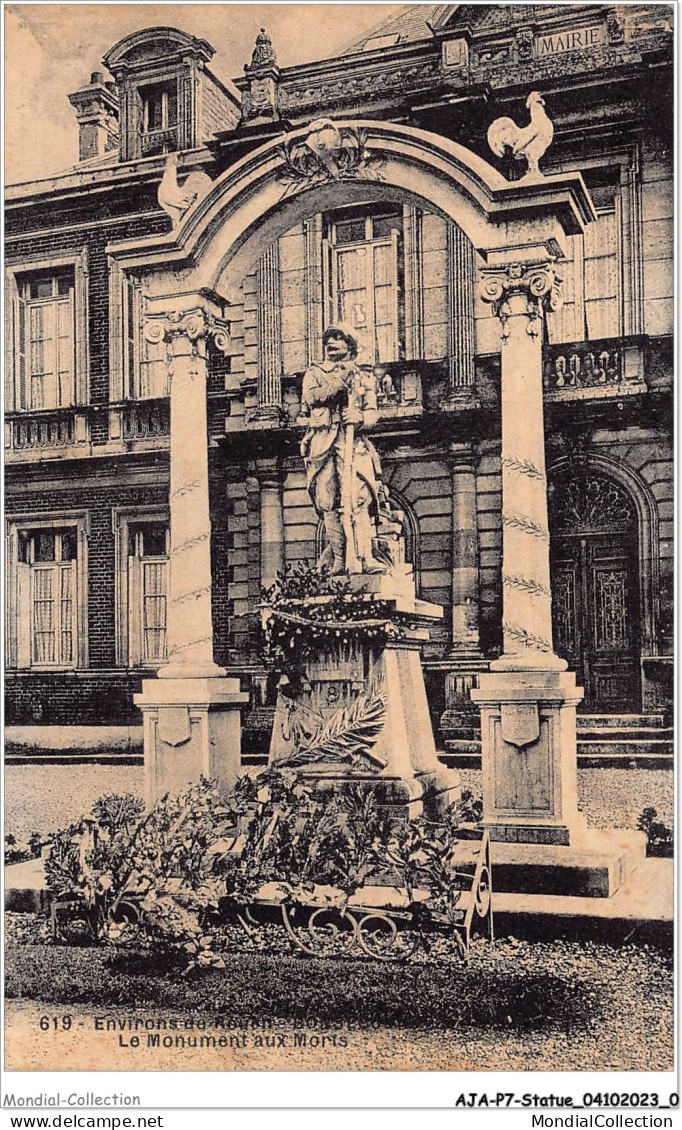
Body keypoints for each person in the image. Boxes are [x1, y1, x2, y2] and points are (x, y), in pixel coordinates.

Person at [300, 326, 386, 574]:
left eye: (338, 338)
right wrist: (341, 381)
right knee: (328, 501)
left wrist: (358, 417)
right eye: (328, 339)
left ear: (350, 345)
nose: (331, 342)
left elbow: (373, 413)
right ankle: (339, 560)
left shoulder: (363, 377)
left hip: (353, 445)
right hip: (323, 444)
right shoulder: (314, 373)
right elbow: (313, 398)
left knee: (357, 499)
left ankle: (365, 558)